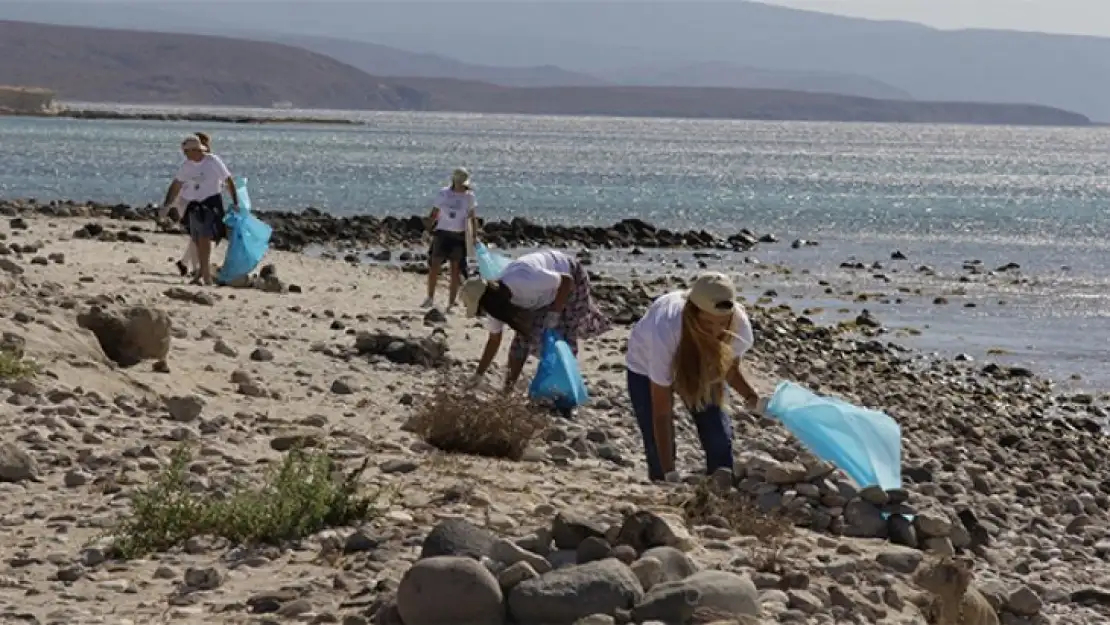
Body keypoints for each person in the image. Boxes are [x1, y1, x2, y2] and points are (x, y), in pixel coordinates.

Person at [624, 272, 764, 483]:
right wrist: (669, 472)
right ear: (693, 313)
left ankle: (720, 488)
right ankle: (662, 482)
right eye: (708, 324)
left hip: (702, 363)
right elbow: (662, 412)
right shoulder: (667, 328)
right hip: (644, 365)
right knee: (657, 447)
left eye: (723, 323)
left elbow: (730, 370)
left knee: (717, 434)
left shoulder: (740, 326)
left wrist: (753, 399)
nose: (716, 332)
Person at [460, 249, 611, 393]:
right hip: (543, 296)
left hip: (571, 277)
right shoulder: (496, 308)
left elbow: (566, 281)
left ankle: (566, 388)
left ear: (488, 302)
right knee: (522, 338)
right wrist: (478, 374)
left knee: (563, 336)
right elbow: (494, 340)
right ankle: (508, 389)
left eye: (480, 310)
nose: (482, 314)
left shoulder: (523, 280)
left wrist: (555, 313)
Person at [162, 134, 239, 286]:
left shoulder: (213, 161)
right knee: (197, 240)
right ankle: (201, 273)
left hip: (211, 202)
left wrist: (236, 202)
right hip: (193, 204)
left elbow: (228, 180)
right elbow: (176, 185)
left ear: (195, 150)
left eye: (187, 152)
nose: (185, 155)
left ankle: (205, 276)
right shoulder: (187, 165)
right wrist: (166, 205)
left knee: (205, 238)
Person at [422, 168, 478, 310]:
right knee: (434, 266)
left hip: (459, 236)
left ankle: (451, 302)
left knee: (455, 270)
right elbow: (434, 212)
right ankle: (430, 298)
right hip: (442, 234)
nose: (462, 185)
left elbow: (472, 217)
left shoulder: (469, 197)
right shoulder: (443, 194)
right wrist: (427, 227)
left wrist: (474, 237)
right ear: (454, 181)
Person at [160, 131, 213, 278]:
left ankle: (186, 263)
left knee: (199, 236)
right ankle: (196, 268)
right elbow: (178, 184)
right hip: (187, 202)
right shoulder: (191, 165)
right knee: (199, 235)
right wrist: (168, 205)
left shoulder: (209, 162)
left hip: (199, 202)